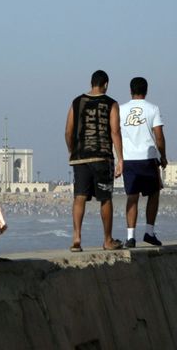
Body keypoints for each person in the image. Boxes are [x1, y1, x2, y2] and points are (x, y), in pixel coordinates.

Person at [65, 69, 124, 251]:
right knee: (105, 199)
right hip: (102, 157)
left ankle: (76, 239)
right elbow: (115, 131)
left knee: (79, 197)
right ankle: (107, 240)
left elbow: (68, 131)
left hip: (80, 158)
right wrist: (121, 158)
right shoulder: (111, 103)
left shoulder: (77, 102)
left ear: (91, 83)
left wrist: (72, 150)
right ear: (105, 84)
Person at [118, 76, 167, 248]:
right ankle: (149, 232)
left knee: (132, 196)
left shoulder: (120, 110)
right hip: (147, 158)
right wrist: (163, 156)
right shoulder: (153, 108)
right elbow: (159, 136)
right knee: (154, 193)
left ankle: (130, 236)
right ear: (146, 90)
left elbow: (115, 135)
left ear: (130, 90)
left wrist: (119, 158)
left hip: (129, 159)